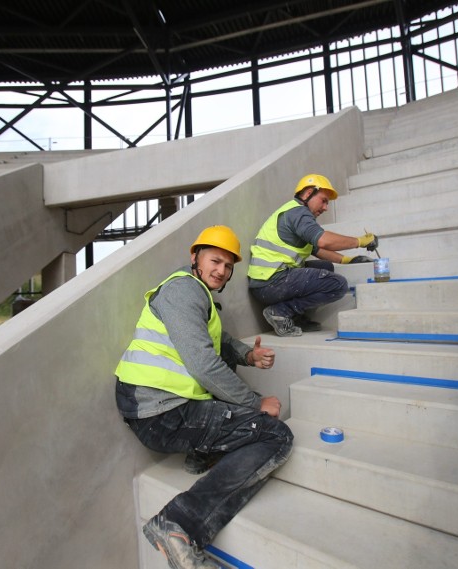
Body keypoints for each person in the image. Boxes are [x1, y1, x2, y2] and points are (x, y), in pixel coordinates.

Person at [115, 225, 293, 569]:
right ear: (194, 257)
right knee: (274, 433)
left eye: (228, 265)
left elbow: (219, 340)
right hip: (159, 410)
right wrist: (256, 403)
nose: (221, 270)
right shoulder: (183, 291)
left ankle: (200, 454)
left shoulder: (196, 293)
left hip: (159, 404)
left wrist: (247, 355)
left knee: (234, 397)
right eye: (215, 260)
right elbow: (204, 365)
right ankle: (180, 523)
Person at [247, 173, 379, 336]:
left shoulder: (293, 212)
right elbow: (323, 240)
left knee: (326, 267)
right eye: (323, 200)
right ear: (309, 193)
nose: (325, 208)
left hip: (268, 281)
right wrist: (360, 241)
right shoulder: (299, 213)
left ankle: (294, 315)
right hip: (271, 283)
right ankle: (281, 311)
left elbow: (317, 249)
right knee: (337, 285)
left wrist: (348, 260)